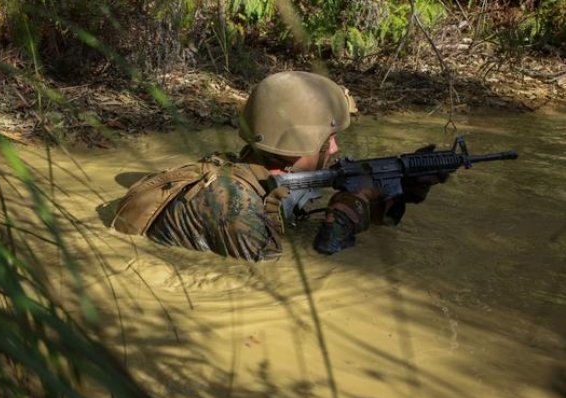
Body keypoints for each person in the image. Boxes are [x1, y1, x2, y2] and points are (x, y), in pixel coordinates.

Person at [111, 71, 444, 261]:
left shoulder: (244, 175)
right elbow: (295, 273)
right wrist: (349, 209)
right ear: (296, 145)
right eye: (328, 138)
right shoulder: (236, 207)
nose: (335, 147)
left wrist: (400, 190)